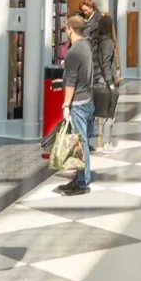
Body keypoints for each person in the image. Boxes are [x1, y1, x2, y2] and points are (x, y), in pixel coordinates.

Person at [56, 15, 95, 196]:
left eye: (66, 28)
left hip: (77, 103)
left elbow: (71, 82)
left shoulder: (73, 52)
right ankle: (78, 179)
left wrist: (65, 105)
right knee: (80, 142)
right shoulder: (86, 46)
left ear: (70, 29)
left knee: (80, 143)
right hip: (87, 99)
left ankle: (83, 183)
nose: (65, 30)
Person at [91, 14, 121, 153]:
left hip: (97, 80)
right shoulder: (108, 43)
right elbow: (106, 64)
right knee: (110, 113)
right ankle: (107, 143)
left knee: (97, 113)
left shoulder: (96, 41)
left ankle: (97, 142)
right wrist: (111, 83)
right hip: (105, 82)